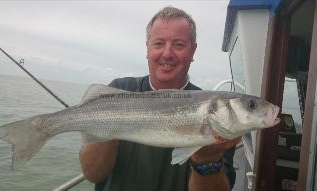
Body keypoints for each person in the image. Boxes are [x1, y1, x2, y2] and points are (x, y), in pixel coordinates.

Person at [79, 6, 240, 191]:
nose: (167, 53)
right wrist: (109, 127)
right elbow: (92, 175)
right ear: (147, 48)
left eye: (179, 44)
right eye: (159, 43)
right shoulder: (118, 90)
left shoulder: (217, 112)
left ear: (193, 51)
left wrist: (206, 160)